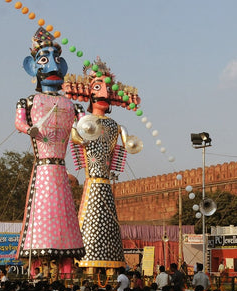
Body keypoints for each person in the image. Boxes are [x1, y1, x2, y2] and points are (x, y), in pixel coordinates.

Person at [14, 27, 85, 261]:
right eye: (45, 60)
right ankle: (37, 262)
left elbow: (85, 129)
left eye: (56, 61)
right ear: (32, 67)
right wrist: (29, 129)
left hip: (60, 168)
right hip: (44, 167)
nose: (53, 66)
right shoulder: (28, 102)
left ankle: (65, 263)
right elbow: (20, 123)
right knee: (41, 214)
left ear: (62, 67)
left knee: (65, 217)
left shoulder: (72, 106)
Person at [69, 57, 141, 268]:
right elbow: (74, 136)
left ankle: (110, 264)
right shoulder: (83, 120)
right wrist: (80, 123)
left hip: (106, 184)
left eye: (107, 89)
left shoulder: (115, 125)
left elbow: (130, 144)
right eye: (98, 87)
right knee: (90, 222)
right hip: (92, 183)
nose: (104, 94)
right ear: (88, 91)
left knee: (108, 226)